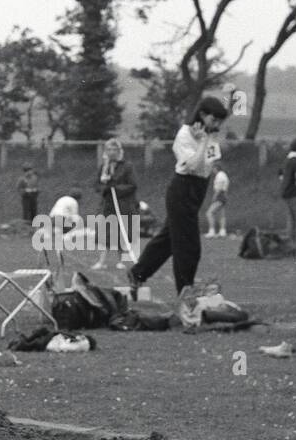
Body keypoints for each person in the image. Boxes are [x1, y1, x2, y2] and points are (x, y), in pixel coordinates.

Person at [127, 96, 229, 303]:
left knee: (168, 241)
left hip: (198, 189)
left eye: (220, 121)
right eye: (214, 119)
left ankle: (138, 273)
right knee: (189, 246)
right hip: (183, 188)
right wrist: (201, 142)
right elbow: (192, 165)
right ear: (202, 115)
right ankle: (185, 291)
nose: (217, 125)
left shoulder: (210, 135)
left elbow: (209, 163)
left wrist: (207, 140)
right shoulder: (185, 134)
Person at [95, 139, 138, 269]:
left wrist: (116, 189)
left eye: (114, 149)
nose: (112, 152)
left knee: (121, 232)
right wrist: (104, 188)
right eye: (109, 149)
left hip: (122, 204)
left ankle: (121, 261)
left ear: (119, 151)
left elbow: (132, 185)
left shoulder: (127, 166)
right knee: (104, 232)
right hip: (107, 205)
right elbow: (97, 185)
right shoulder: (104, 167)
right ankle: (101, 261)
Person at [204, 166, 229, 238]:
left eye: (213, 168)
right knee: (221, 215)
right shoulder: (223, 174)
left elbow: (219, 188)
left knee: (209, 213)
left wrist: (215, 197)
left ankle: (211, 231)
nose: (212, 170)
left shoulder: (220, 175)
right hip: (223, 195)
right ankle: (222, 231)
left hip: (220, 196)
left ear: (216, 168)